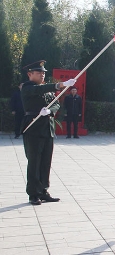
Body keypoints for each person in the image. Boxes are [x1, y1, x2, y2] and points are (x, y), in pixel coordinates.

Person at [21, 61, 76, 205]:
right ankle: (33, 193)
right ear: (30, 74)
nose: (42, 75)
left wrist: (50, 111)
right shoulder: (27, 87)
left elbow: (56, 103)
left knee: (46, 162)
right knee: (34, 162)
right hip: (33, 128)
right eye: (39, 73)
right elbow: (39, 90)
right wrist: (60, 84)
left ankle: (43, 190)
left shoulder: (47, 89)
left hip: (47, 128)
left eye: (43, 73)